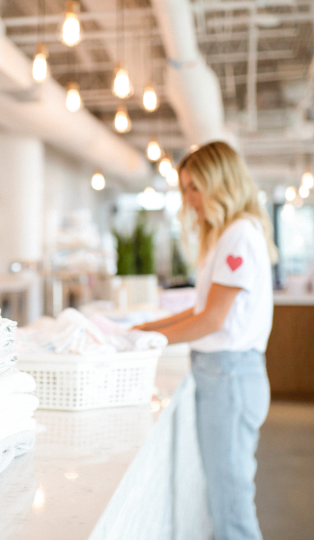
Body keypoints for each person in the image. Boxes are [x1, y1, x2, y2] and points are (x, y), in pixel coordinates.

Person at [135, 141, 278, 540]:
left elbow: (213, 320)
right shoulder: (229, 234)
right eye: (184, 189)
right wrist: (144, 331)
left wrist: (149, 341)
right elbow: (202, 310)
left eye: (195, 187)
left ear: (221, 184)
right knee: (223, 501)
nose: (189, 200)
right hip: (222, 378)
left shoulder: (239, 235)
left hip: (230, 378)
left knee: (231, 509)